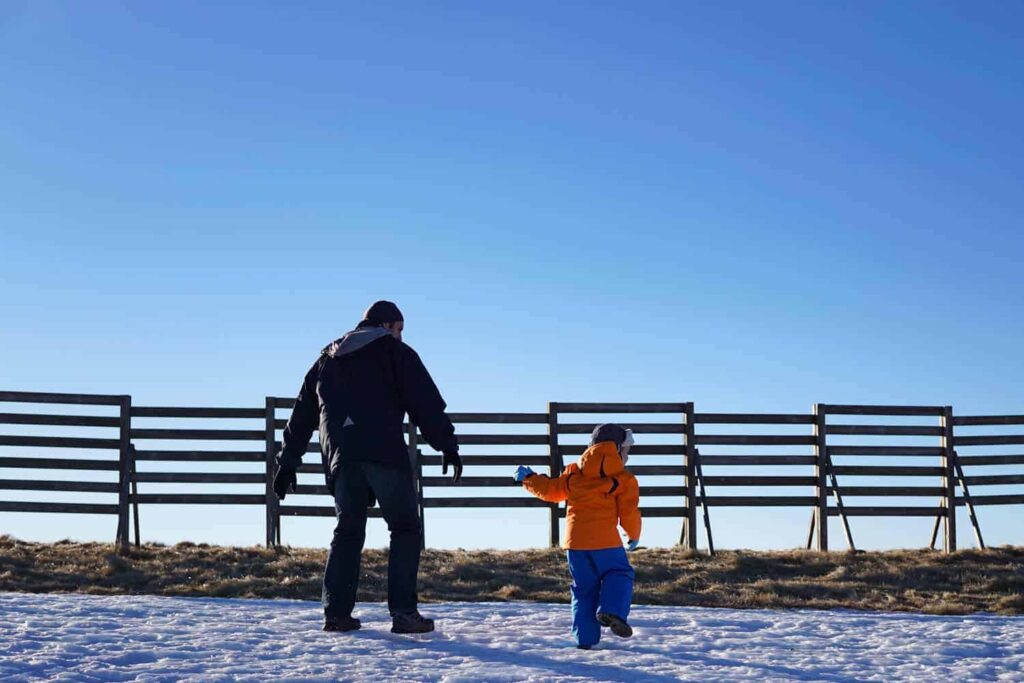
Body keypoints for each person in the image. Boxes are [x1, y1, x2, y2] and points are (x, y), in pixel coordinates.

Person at [273, 300, 462, 634]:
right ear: (386, 325)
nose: (401, 336)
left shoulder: (326, 360)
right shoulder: (395, 353)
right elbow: (425, 402)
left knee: (347, 531)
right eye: (399, 329)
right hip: (384, 454)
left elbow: (301, 415)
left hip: (342, 460)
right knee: (405, 528)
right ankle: (404, 613)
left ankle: (336, 614)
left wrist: (287, 463)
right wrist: (447, 445)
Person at [515, 423, 640, 649]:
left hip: (575, 543)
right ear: (617, 449)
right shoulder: (623, 479)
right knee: (620, 573)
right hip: (606, 542)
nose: (627, 456)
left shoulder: (573, 473)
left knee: (583, 589)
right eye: (627, 451)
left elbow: (551, 490)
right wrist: (633, 534)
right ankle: (612, 611)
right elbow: (629, 511)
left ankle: (585, 640)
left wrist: (529, 478)